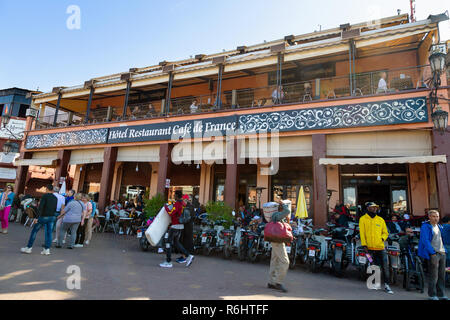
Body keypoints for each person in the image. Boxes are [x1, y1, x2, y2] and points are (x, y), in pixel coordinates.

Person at [359, 202, 393, 294]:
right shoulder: (362, 219)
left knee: (385, 266)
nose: (375, 209)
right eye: (373, 207)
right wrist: (364, 245)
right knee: (373, 265)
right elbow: (362, 233)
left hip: (380, 248)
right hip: (368, 249)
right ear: (368, 208)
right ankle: (375, 283)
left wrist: (382, 238)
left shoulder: (380, 220)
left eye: (376, 208)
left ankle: (387, 285)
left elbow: (385, 232)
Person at [418, 210, 448, 300]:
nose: (436, 218)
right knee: (434, 275)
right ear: (429, 217)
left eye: (437, 216)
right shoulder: (425, 227)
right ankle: (432, 295)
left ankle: (441, 294)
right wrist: (432, 253)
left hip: (442, 252)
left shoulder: (439, 226)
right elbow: (425, 240)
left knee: (442, 275)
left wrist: (445, 251)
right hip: (434, 253)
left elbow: (441, 240)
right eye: (434, 216)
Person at [160, 190, 194, 268]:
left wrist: (165, 207)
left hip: (175, 226)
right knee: (176, 243)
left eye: (174, 195)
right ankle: (188, 255)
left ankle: (168, 262)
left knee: (168, 242)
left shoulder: (177, 204)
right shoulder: (182, 204)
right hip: (181, 226)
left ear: (177, 196)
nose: (173, 196)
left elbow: (171, 212)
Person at [21, 185, 57, 255]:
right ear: (52, 190)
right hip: (52, 216)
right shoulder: (55, 198)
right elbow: (55, 208)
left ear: (47, 189)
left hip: (43, 216)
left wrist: (36, 218)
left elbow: (40, 207)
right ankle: (47, 249)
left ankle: (29, 248)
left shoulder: (45, 196)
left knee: (34, 231)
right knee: (49, 233)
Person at [267, 202, 291, 293]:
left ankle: (271, 282)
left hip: (275, 241)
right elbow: (288, 211)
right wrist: (285, 205)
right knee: (285, 262)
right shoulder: (277, 215)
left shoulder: (276, 215)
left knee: (275, 261)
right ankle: (278, 282)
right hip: (277, 242)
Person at [177, 194, 195, 264]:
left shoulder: (188, 207)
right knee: (185, 241)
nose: (182, 202)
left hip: (187, 227)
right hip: (187, 227)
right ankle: (184, 256)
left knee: (186, 242)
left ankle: (185, 257)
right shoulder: (189, 206)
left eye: (183, 200)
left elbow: (186, 219)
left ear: (185, 200)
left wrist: (179, 220)